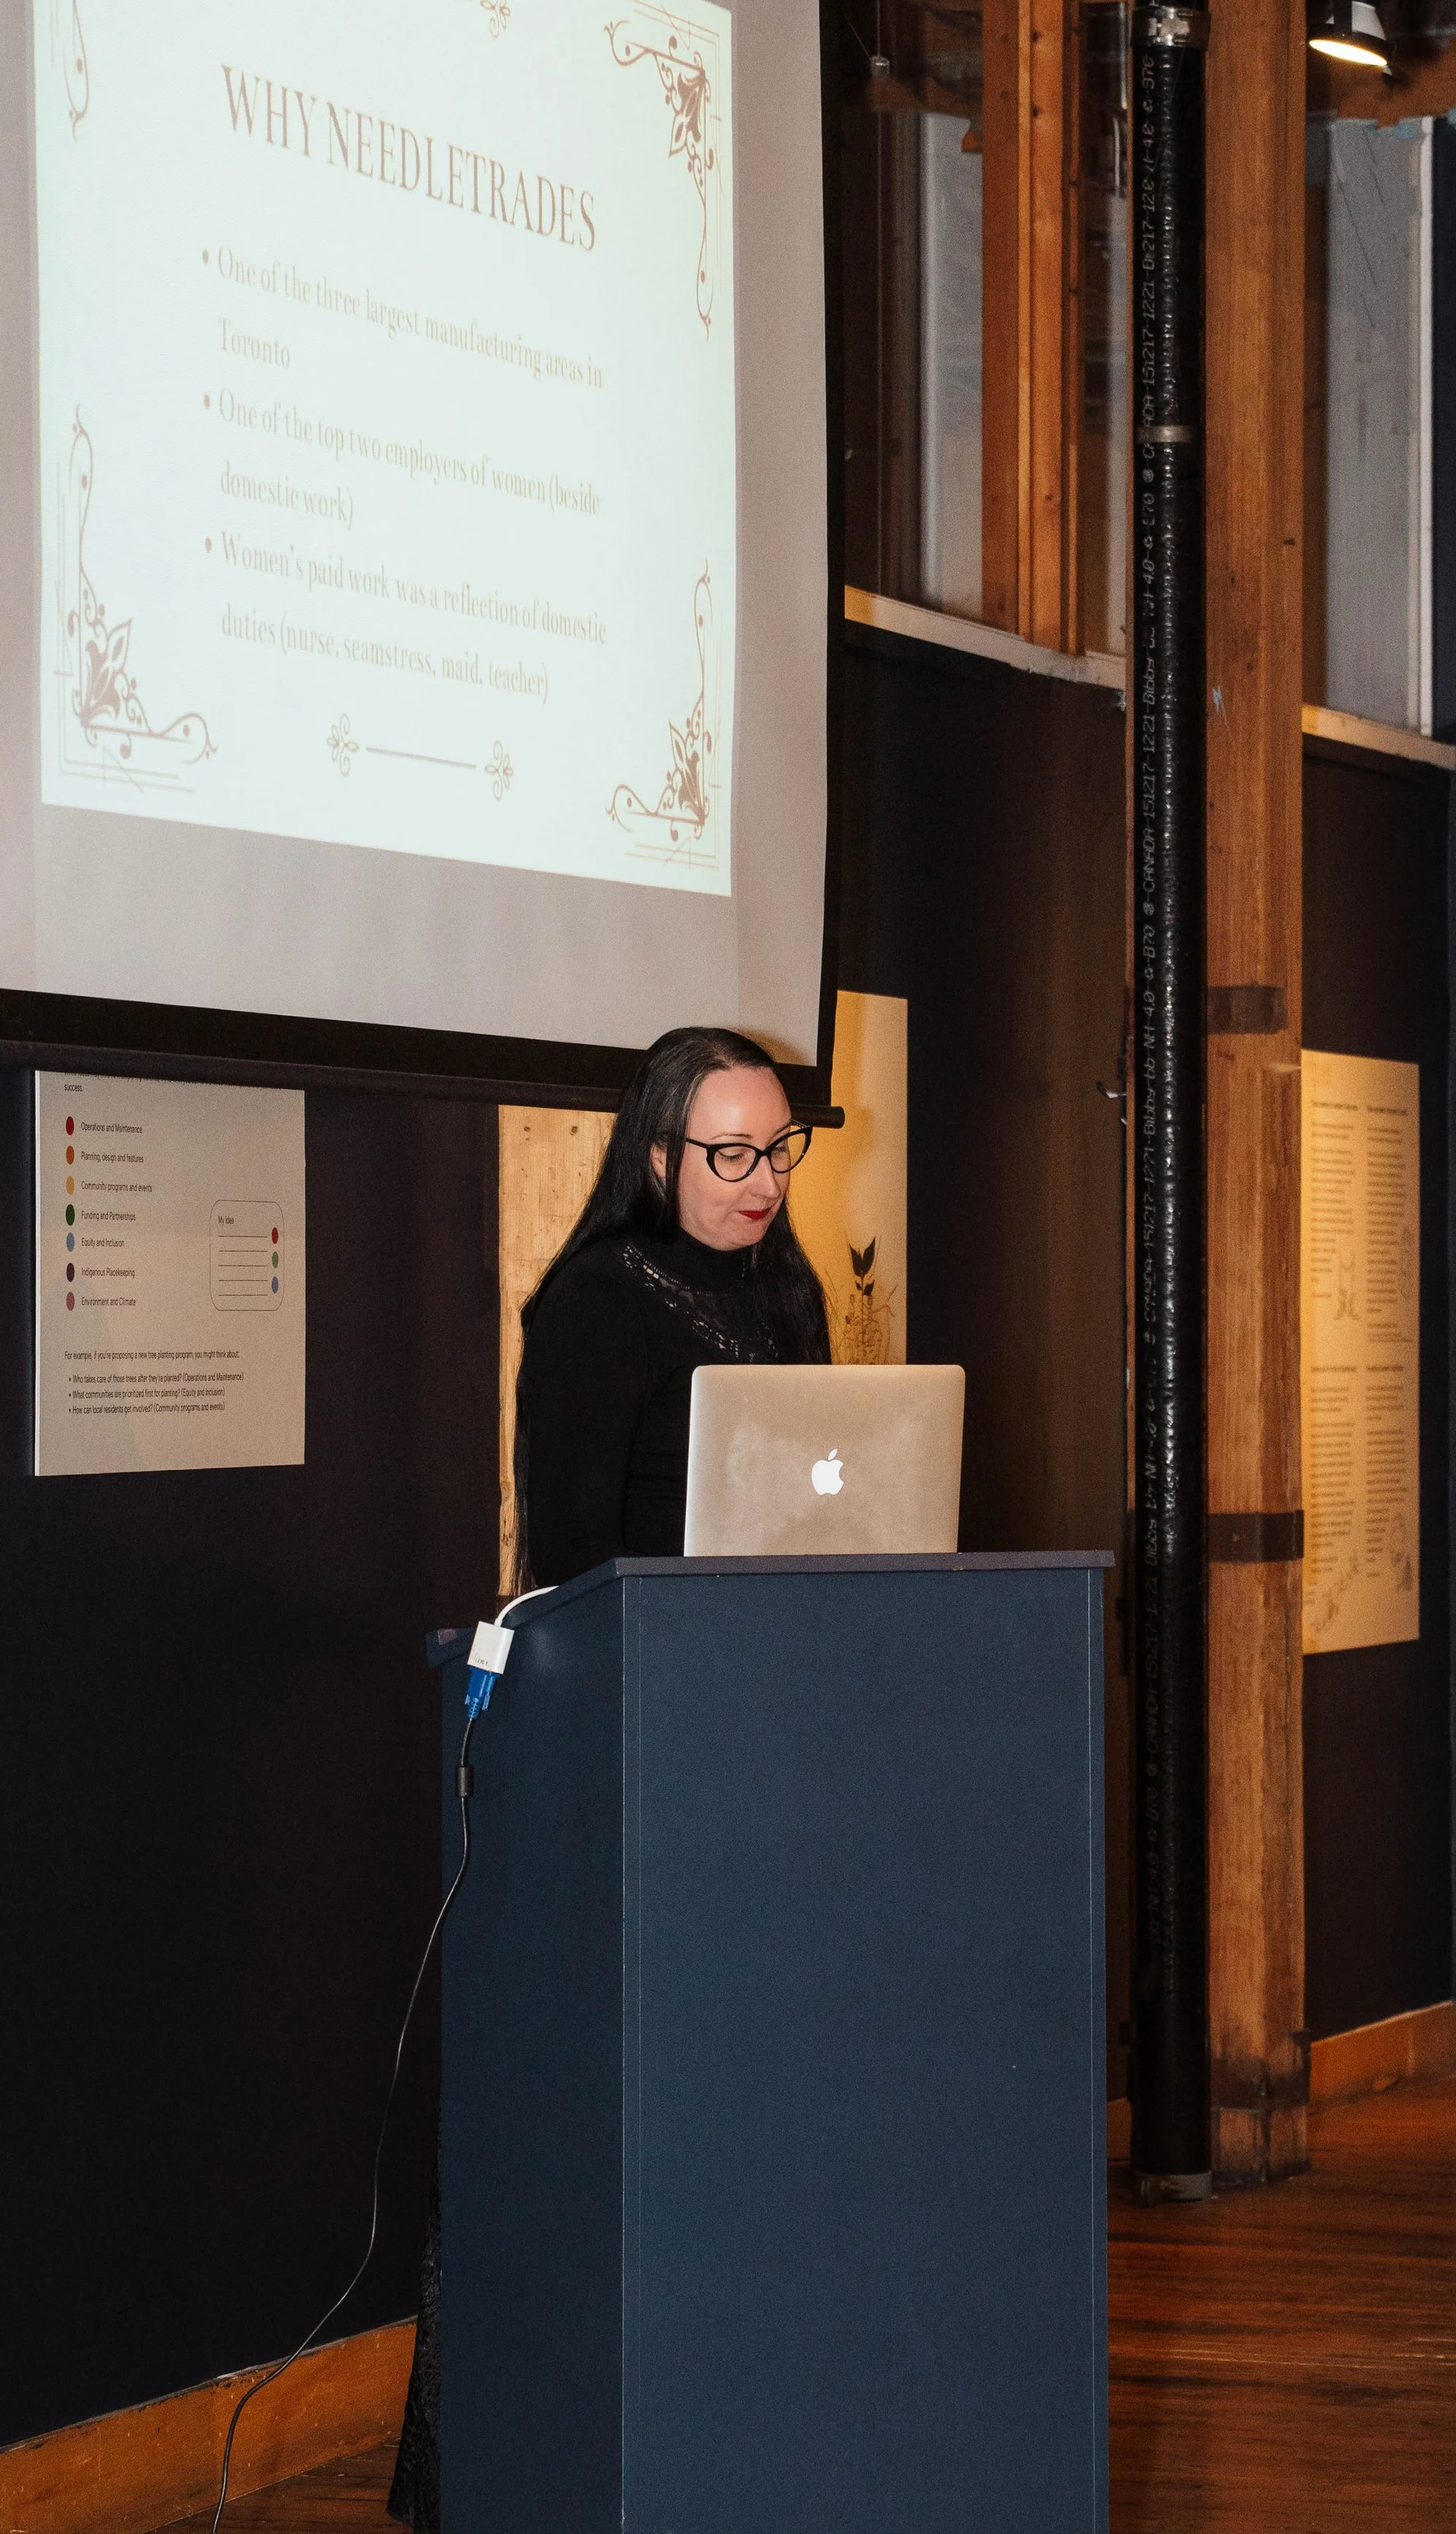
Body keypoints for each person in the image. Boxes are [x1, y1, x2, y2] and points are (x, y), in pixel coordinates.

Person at [388, 1025, 829, 2530]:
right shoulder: (593, 1303)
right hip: (638, 1736)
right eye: (728, 1153)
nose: (760, 1181)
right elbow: (568, 1553)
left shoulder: (786, 1289)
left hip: (767, 1731)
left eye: (779, 1149)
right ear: (654, 1156)